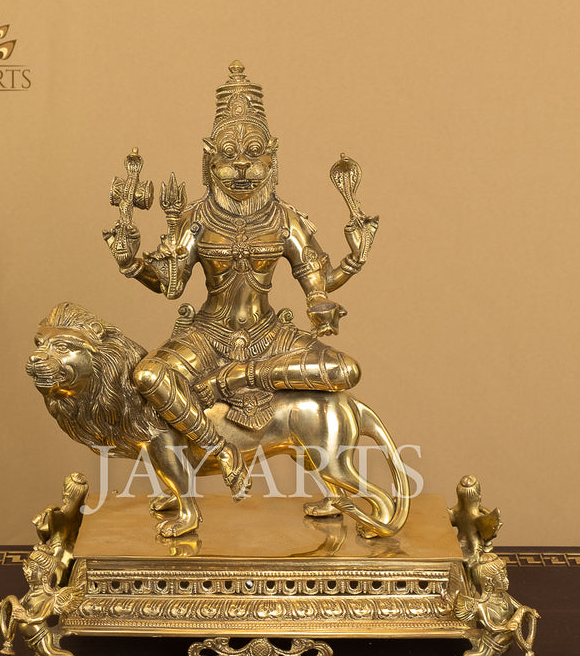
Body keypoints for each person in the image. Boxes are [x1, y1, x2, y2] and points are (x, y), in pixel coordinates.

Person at [104, 61, 378, 496]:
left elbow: (317, 284)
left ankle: (238, 377)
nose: (242, 167)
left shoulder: (285, 219)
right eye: (228, 155)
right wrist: (132, 263)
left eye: (253, 153)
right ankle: (219, 449)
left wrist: (351, 262)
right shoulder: (196, 218)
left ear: (272, 156)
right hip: (207, 335)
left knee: (345, 370)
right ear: (209, 159)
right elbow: (170, 283)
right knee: (149, 377)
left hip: (270, 335)